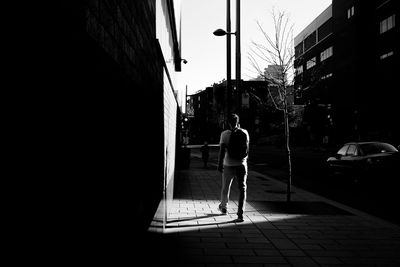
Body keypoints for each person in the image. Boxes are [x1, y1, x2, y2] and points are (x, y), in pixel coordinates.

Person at [217, 113, 250, 222]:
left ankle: (224, 208)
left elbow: (222, 152)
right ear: (237, 122)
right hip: (241, 164)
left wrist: (219, 164)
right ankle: (240, 214)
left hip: (228, 164)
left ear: (228, 123)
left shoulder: (225, 134)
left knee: (226, 187)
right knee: (242, 189)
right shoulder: (245, 132)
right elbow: (247, 150)